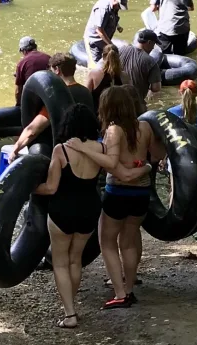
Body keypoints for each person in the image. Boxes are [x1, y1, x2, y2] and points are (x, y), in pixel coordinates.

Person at [66, 86, 154, 309]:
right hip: (142, 193)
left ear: (108, 107)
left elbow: (112, 164)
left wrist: (84, 149)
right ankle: (130, 288)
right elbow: (152, 155)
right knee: (129, 240)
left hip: (118, 193)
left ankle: (120, 293)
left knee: (106, 242)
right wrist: (143, 168)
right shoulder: (145, 126)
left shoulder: (114, 130)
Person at [34, 104, 103, 329]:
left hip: (63, 210)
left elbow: (51, 188)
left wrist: (32, 188)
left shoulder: (61, 150)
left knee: (61, 263)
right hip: (90, 210)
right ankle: (71, 305)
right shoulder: (100, 149)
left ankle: (70, 313)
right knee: (76, 260)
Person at [9, 52, 94, 160]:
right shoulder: (86, 92)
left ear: (57, 70)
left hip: (65, 154)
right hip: (86, 149)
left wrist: (16, 148)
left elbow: (34, 130)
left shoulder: (57, 96)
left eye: (51, 71)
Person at [118, 29, 162, 114]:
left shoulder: (121, 50)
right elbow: (156, 88)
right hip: (135, 104)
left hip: (116, 98)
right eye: (154, 44)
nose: (153, 48)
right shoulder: (151, 62)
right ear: (149, 42)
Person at [168, 80, 197, 151]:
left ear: (180, 93)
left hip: (179, 151)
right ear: (196, 93)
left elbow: (167, 136)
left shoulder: (170, 112)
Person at [83, 0, 128, 68]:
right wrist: (111, 45)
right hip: (94, 41)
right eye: (119, 6)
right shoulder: (103, 8)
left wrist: (117, 26)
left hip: (103, 40)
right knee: (96, 66)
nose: (119, 8)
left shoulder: (114, 5)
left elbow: (111, 16)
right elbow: (99, 31)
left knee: (106, 62)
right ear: (114, 0)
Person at [86, 43, 129, 112]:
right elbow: (128, 98)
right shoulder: (125, 76)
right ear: (118, 56)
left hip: (98, 115)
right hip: (117, 116)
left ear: (102, 56)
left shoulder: (93, 73)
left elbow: (86, 96)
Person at [14, 37, 50, 107]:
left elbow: (18, 91)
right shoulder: (48, 57)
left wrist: (18, 105)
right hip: (49, 97)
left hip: (34, 101)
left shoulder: (22, 63)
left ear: (24, 50)